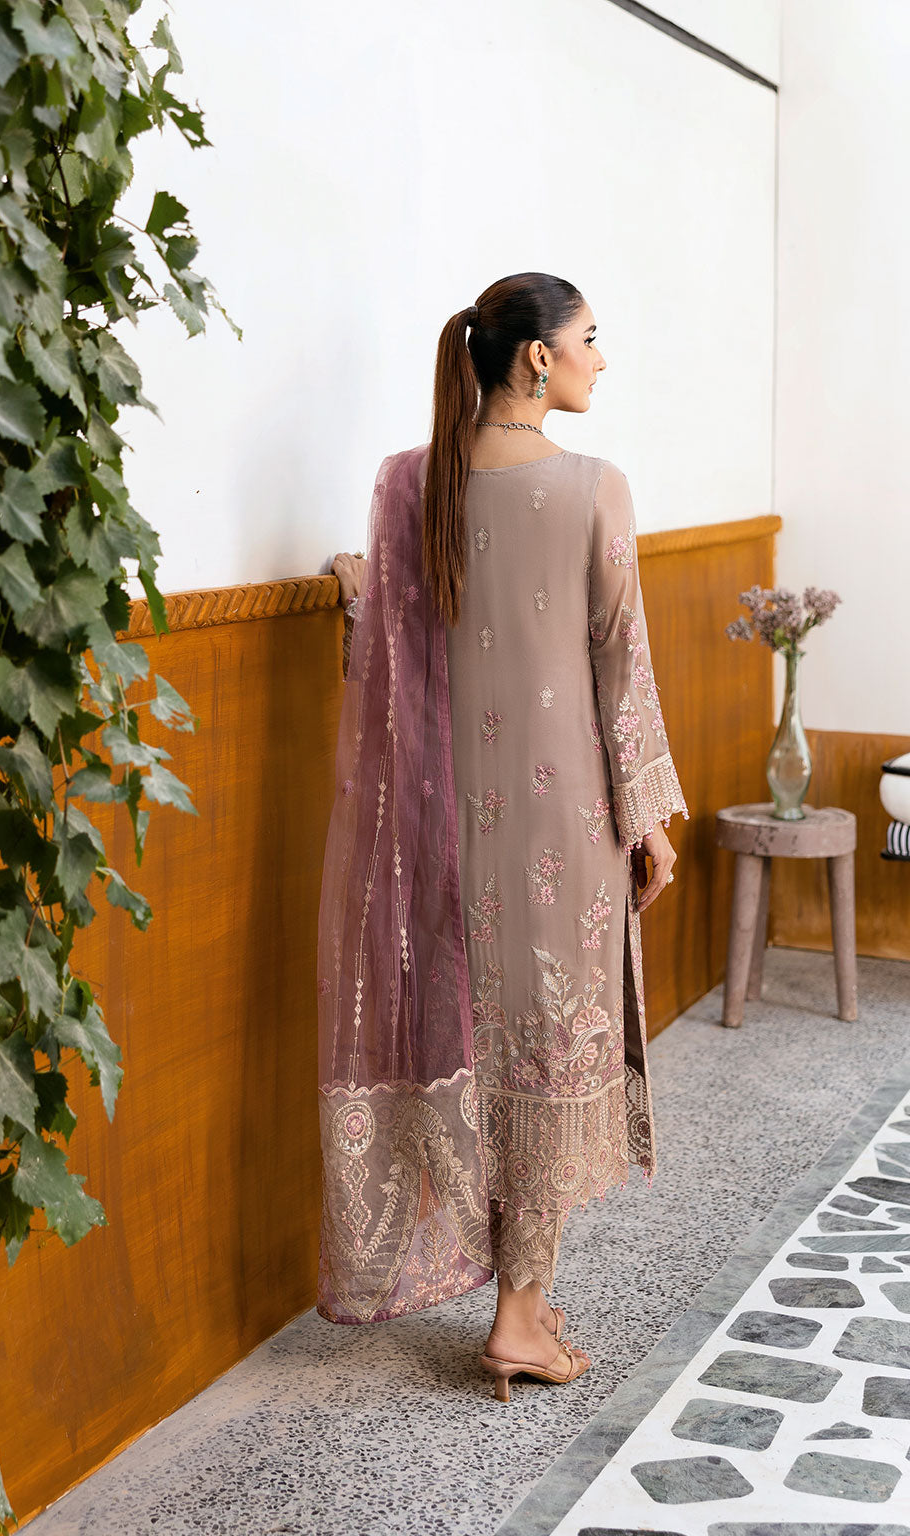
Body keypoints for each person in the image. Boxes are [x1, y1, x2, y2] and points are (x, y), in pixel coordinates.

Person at [321, 272, 687, 1402]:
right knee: (547, 1056)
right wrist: (649, 819)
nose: (599, 360)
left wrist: (353, 593)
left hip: (441, 835)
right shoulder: (593, 487)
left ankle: (520, 1300)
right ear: (537, 358)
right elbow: (620, 664)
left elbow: (387, 656)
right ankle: (518, 1320)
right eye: (589, 339)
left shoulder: (410, 483)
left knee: (482, 1050)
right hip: (561, 824)